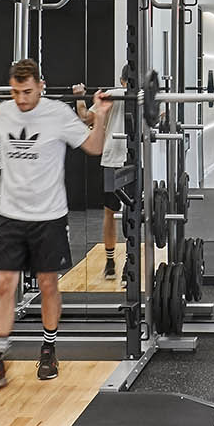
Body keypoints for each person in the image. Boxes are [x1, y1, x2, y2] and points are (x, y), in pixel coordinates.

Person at [0, 58, 110, 390]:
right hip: (11, 213)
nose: (21, 98)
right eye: (15, 91)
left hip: (48, 216)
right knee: (4, 283)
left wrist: (102, 113)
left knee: (48, 284)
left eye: (26, 91)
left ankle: (49, 348)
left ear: (40, 86)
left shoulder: (57, 114)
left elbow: (94, 147)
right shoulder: (6, 113)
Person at [75, 66, 131, 283]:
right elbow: (87, 119)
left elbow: (84, 117)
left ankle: (115, 262)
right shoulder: (115, 95)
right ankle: (121, 260)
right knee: (126, 213)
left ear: (121, 79)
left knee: (112, 213)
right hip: (121, 160)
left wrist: (79, 97)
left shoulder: (115, 94)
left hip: (116, 161)